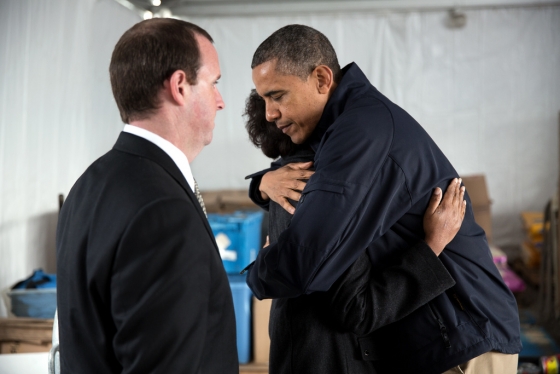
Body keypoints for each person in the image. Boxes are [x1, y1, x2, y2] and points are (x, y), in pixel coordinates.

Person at [245, 25, 521, 374]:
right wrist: (262, 184)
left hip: (464, 334)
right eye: (265, 99)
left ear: (321, 78)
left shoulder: (359, 132)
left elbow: (306, 257)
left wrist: (258, 271)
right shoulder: (342, 130)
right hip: (441, 333)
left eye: (278, 95)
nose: (269, 112)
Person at [56, 19, 238, 373]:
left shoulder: (89, 185)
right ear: (180, 86)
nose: (221, 101)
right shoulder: (164, 212)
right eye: (214, 83)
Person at [244, 90, 465, 374]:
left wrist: (261, 183)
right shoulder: (316, 190)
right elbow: (358, 309)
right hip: (332, 361)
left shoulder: (282, 180)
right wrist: (432, 246)